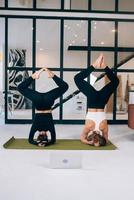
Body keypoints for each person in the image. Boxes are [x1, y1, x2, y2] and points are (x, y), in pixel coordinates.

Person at [74, 54, 119, 147]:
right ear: (92, 136)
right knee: (78, 78)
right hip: (93, 100)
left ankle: (104, 67)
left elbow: (106, 139)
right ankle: (95, 66)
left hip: (101, 102)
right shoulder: (88, 127)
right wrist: (89, 142)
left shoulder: (103, 128)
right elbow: (82, 138)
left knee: (115, 82)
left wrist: (98, 142)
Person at [18, 68, 69, 146]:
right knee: (20, 88)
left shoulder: (49, 127)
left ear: (47, 135)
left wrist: (46, 144)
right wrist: (38, 144)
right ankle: (33, 77)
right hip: (37, 100)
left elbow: (53, 141)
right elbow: (30, 140)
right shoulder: (36, 127)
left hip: (48, 100)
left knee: (64, 86)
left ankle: (51, 75)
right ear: (38, 135)